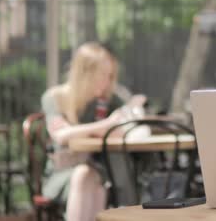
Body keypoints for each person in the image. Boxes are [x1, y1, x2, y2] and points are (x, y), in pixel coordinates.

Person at [41, 42, 146, 221]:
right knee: (86, 176)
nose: (106, 81)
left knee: (97, 180)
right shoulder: (56, 97)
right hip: (62, 170)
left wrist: (131, 108)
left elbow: (130, 119)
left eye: (110, 75)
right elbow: (60, 135)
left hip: (99, 169)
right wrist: (104, 126)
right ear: (84, 73)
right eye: (102, 75)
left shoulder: (108, 98)